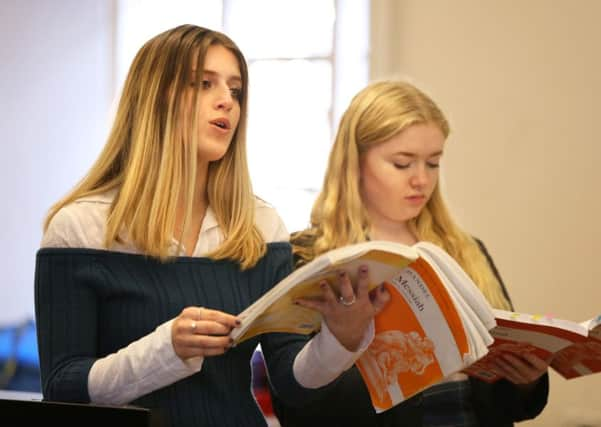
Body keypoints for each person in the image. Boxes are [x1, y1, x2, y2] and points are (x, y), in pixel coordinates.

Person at [33, 25, 390, 427]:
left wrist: (342, 337)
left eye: (235, 90)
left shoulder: (260, 226)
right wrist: (166, 349)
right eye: (205, 84)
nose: (227, 102)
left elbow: (291, 383)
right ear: (154, 98)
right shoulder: (79, 227)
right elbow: (62, 387)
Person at [268, 80, 550, 427]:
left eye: (433, 163)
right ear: (354, 162)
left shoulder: (467, 250)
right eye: (403, 164)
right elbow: (296, 405)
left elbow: (504, 405)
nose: (421, 180)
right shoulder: (305, 258)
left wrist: (525, 382)